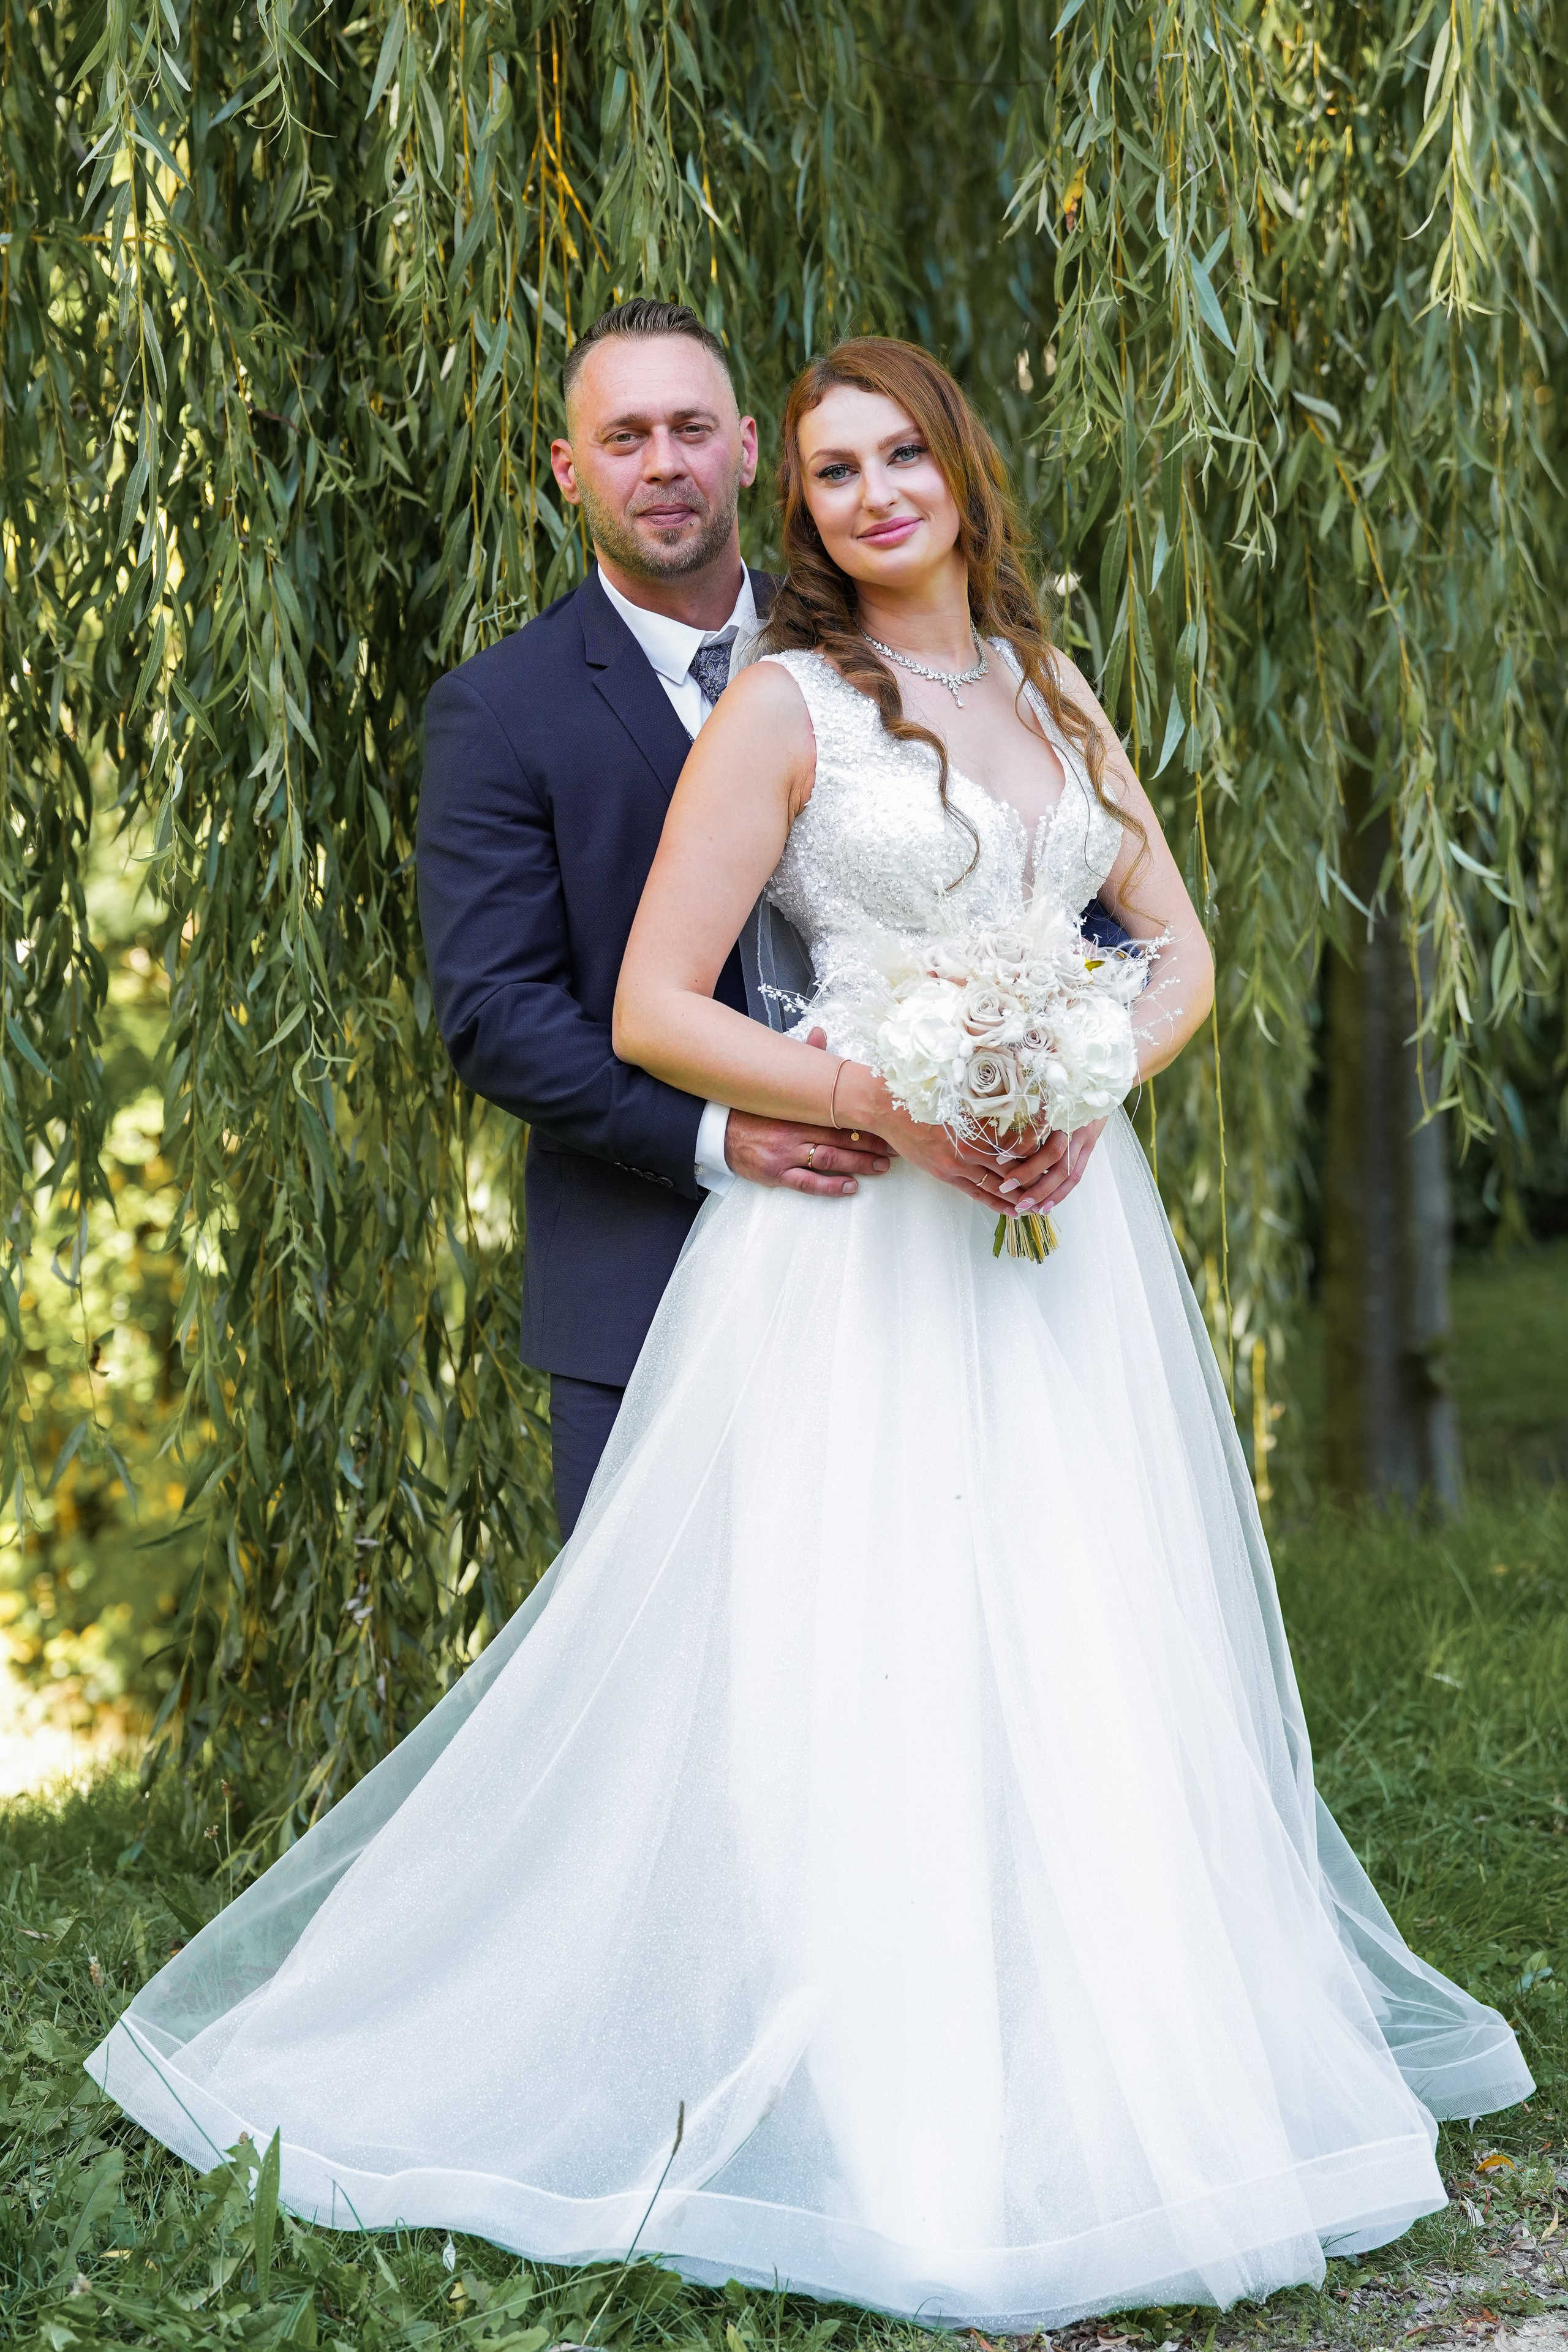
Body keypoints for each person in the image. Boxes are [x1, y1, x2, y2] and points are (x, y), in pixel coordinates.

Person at [86, 337, 1530, 2331]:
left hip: (1064, 1235)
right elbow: (656, 1008)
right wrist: (886, 1100)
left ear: (960, 472)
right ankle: (889, 2106)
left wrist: (1084, 1079)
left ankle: (1119, 2071)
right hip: (857, 1239)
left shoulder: (1052, 689)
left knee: (1082, 1629)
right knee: (871, 1640)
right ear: (810, 509)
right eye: (837, 470)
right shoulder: (781, 706)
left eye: (900, 455)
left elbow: (1177, 946)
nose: (872, 492)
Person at [417, 299, 1112, 1534]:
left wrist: (1053, 1064)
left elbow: (1053, 879)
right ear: (569, 470)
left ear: (746, 451)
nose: (663, 463)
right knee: (657, 1686)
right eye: (623, 438)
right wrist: (722, 1129)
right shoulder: (502, 711)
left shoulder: (888, 638)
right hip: (646, 1254)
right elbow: (496, 1015)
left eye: (690, 428)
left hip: (931, 1241)